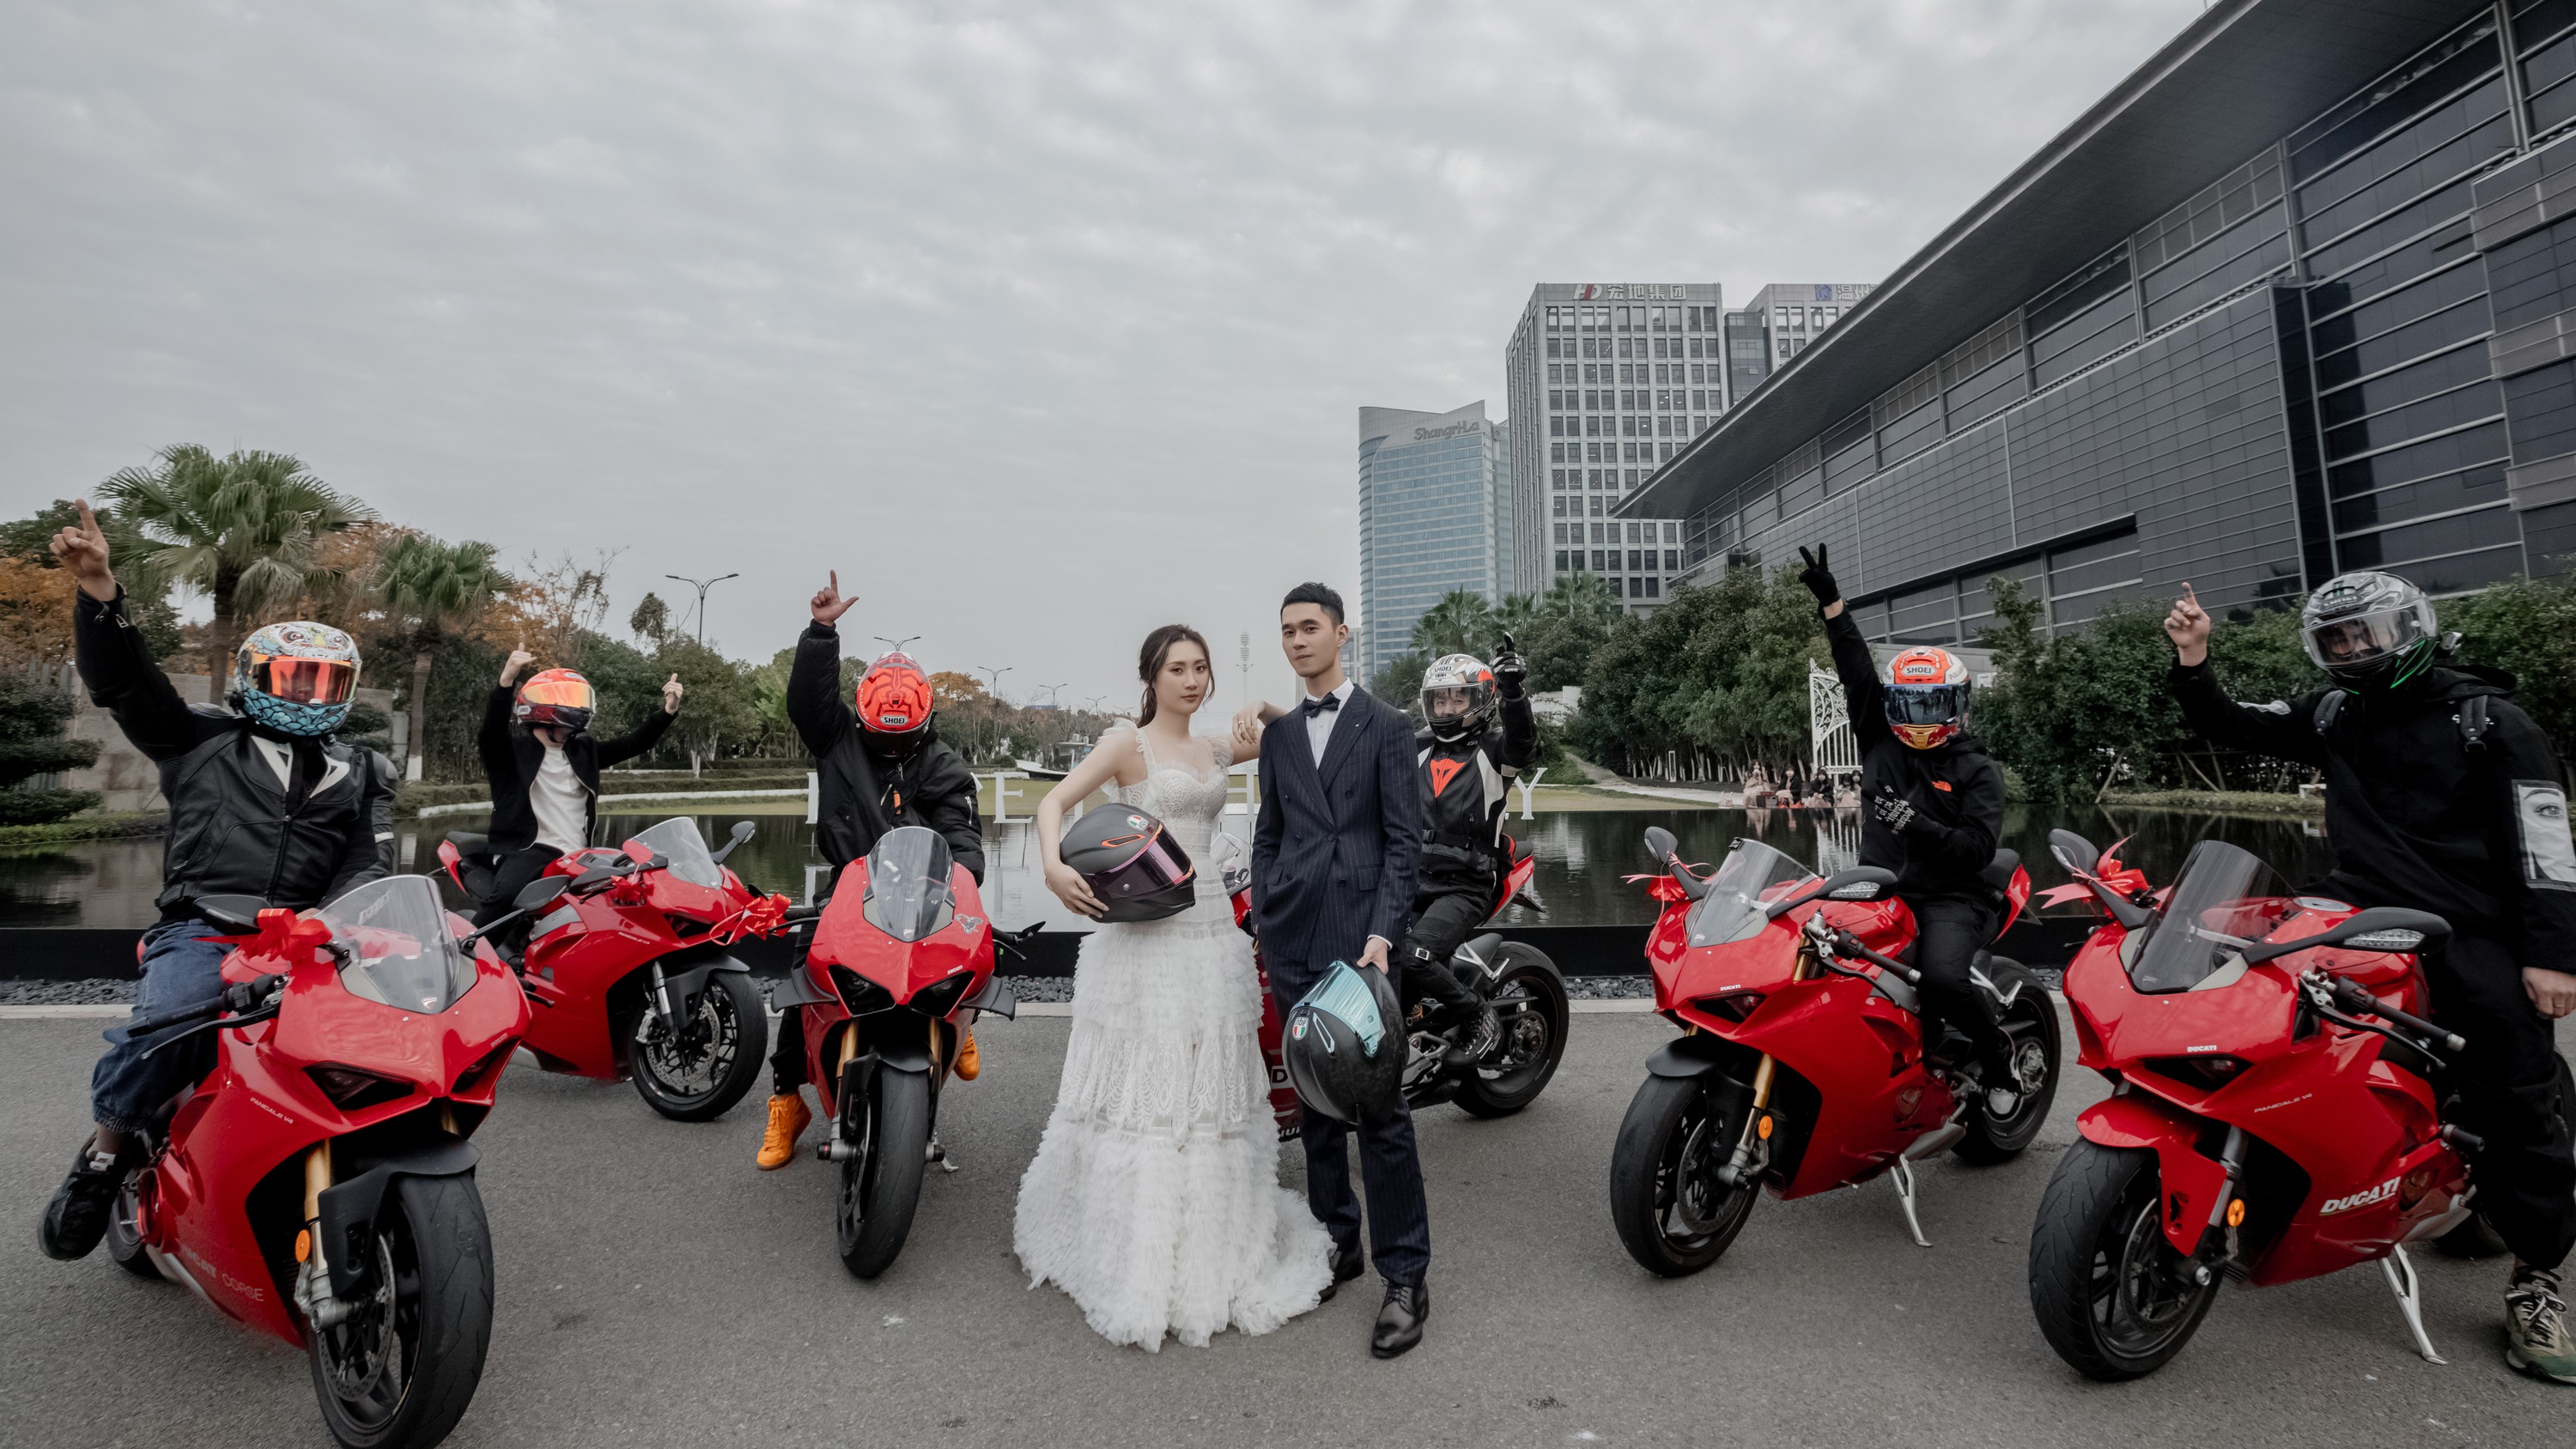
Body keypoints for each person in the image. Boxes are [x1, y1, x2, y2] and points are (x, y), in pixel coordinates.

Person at [2163, 572, 2576, 1383]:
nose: (2353, 650)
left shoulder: (2492, 722)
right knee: (2257, 1021)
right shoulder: (2333, 712)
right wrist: (2194, 657)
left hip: (2471, 925)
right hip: (2351, 909)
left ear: (2411, 629)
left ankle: (2537, 1277)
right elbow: (2232, 723)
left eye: (2366, 634)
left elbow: (2548, 850)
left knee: (2515, 1086)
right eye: (2337, 639)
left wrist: (2555, 955)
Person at [39, 501, 396, 1261]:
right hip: (203, 927)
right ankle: (104, 1155)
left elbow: (368, 860)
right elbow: (126, 685)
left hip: (312, 939)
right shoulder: (196, 738)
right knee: (172, 1026)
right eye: (293, 679)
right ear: (256, 678)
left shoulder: (363, 768)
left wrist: (336, 922)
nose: (308, 694)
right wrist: (100, 592)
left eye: (325, 682)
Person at [1012, 624, 1334, 1350]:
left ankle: (1216, 1240)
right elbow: (1052, 805)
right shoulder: (1128, 744)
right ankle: (1140, 1247)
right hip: (1147, 930)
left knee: (1211, 1080)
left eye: (1200, 669)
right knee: (1149, 1085)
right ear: (1151, 678)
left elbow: (1301, 736)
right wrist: (1054, 868)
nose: (1191, 681)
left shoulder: (1217, 748)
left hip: (1214, 925)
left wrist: (1265, 707)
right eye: (1177, 669)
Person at [1235, 582, 1431, 1358]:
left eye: (1309, 627)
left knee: (1380, 1112)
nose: (1296, 641)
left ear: (1342, 634)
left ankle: (1406, 1277)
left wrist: (1383, 935)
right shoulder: (1281, 738)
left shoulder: (1388, 726)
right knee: (1314, 1104)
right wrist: (1266, 908)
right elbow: (1269, 834)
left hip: (1361, 944)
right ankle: (1334, 1245)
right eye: (1287, 630)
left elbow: (1404, 843)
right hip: (1292, 939)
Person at [756, 572, 985, 1169]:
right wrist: (820, 633)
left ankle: (962, 1022)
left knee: (975, 953)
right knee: (805, 986)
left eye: (903, 739)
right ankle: (786, 1102)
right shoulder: (837, 738)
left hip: (927, 891)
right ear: (862, 718)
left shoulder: (944, 765)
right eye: (881, 737)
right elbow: (807, 701)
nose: (892, 747)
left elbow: (962, 835)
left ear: (924, 724)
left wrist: (962, 880)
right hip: (850, 887)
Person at [1797, 544, 2025, 1119]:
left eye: (1932, 705)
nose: (1919, 717)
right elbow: (1854, 668)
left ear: (1957, 705)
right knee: (1806, 949)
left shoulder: (1977, 769)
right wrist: (1833, 604)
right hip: (1876, 886)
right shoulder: (1879, 735)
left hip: (1951, 895)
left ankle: (1999, 1058)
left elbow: (1978, 849)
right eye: (1909, 704)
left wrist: (1916, 825)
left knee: (1943, 980)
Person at [1246, 644, 1536, 1065]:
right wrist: (1272, 716)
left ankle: (1478, 1013)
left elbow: (1523, 741)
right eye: (1440, 699)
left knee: (1413, 955)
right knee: (1370, 953)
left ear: (1480, 700)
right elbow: (1346, 731)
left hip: (1465, 885)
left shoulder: (1496, 754)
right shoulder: (1413, 744)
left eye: (1458, 699)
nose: (1448, 707)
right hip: (1409, 878)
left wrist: (1513, 692)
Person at [472, 645, 682, 950]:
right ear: (543, 709)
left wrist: (668, 712)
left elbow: (633, 744)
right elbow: (490, 733)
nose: (579, 707)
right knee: (505, 897)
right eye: (569, 700)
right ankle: (463, 954)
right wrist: (506, 682)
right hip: (528, 849)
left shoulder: (584, 751)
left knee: (630, 893)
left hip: (581, 854)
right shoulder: (510, 753)